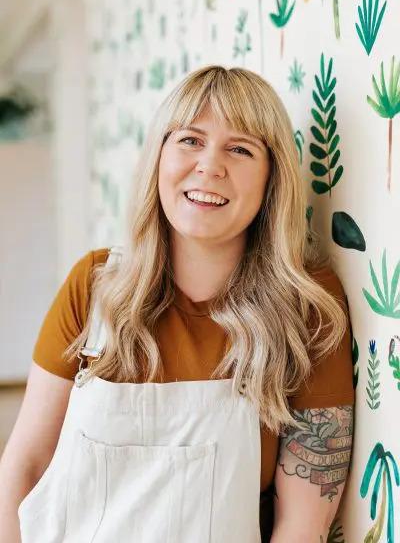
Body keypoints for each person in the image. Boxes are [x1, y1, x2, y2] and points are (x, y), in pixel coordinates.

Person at [0, 65, 354, 542]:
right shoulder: (94, 286)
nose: (209, 165)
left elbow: (303, 525)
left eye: (240, 148)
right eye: (190, 139)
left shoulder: (307, 305)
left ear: (273, 179)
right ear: (159, 157)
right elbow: (24, 466)